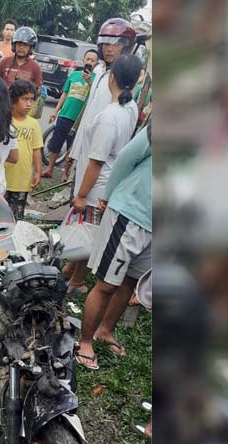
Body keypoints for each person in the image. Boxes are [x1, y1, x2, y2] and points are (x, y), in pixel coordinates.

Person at [74, 84, 149, 372]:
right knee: (107, 284)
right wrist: (108, 195)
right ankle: (85, 341)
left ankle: (105, 331)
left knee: (131, 282)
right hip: (129, 213)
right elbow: (127, 157)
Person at [62, 18, 137, 293]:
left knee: (89, 223)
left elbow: (104, 138)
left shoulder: (121, 96)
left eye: (115, 44)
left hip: (99, 162)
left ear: (127, 46)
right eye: (105, 43)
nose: (108, 49)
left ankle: (77, 278)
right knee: (83, 219)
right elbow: (88, 117)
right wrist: (73, 151)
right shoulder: (102, 73)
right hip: (88, 154)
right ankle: (71, 268)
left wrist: (82, 189)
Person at [42, 49, 99, 179]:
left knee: (72, 147)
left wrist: (90, 82)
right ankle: (49, 169)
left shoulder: (96, 80)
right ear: (83, 60)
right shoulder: (74, 75)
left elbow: (95, 97)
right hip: (64, 115)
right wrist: (56, 111)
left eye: (92, 60)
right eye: (87, 59)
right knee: (55, 143)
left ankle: (65, 173)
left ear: (96, 63)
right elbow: (64, 94)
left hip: (79, 119)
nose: (89, 62)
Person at [5, 80, 43, 219]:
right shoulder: (4, 121)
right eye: (24, 99)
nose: (29, 104)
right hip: (3, 177)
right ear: (13, 100)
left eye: (31, 100)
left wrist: (38, 172)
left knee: (16, 217)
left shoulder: (33, 124)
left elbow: (36, 150)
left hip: (22, 179)